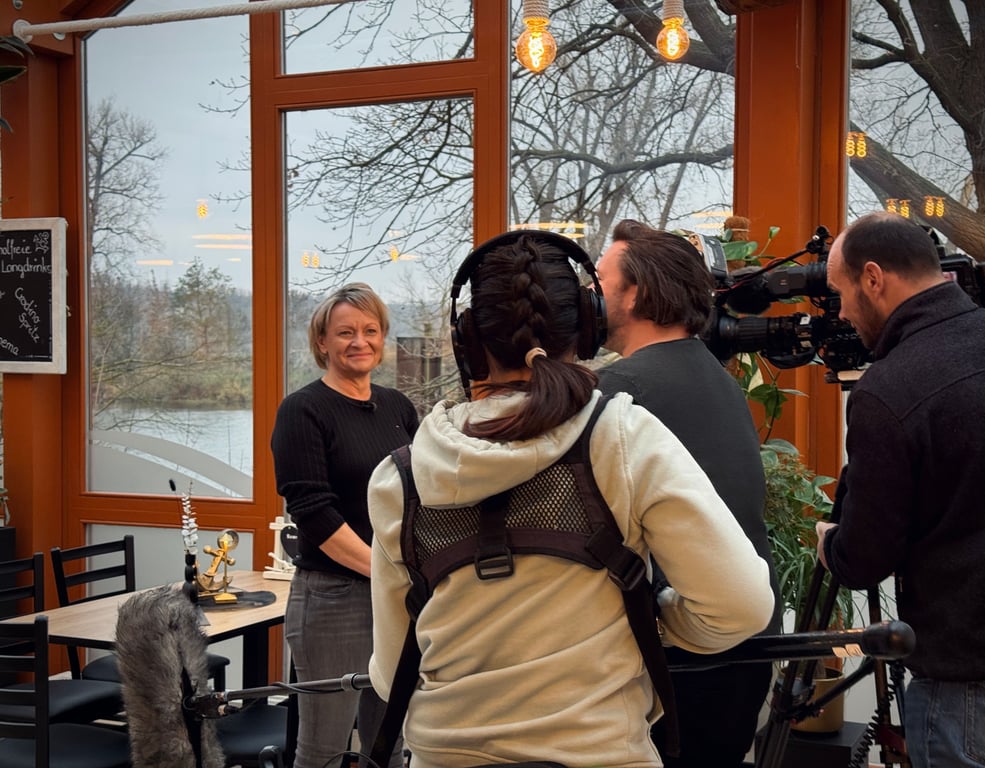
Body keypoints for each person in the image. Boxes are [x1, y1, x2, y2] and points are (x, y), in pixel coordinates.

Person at [367, 230, 774, 768]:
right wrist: (648, 623)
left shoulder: (399, 478)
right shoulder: (621, 437)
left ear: (467, 339)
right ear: (586, 326)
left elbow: (392, 667)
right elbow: (740, 607)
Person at [815, 212, 985, 767]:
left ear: (874, 279)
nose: (840, 313)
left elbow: (863, 560)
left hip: (970, 689)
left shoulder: (889, 389)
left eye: (840, 293)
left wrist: (828, 542)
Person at [595, 218, 782, 768]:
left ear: (637, 293)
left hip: (681, 661)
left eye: (601, 281)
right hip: (740, 651)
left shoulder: (622, 390)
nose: (589, 295)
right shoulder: (715, 376)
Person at [271, 282, 418, 768]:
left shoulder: (398, 407)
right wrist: (384, 573)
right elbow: (314, 511)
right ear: (322, 343)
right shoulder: (303, 409)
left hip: (395, 598)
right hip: (334, 600)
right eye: (345, 332)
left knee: (388, 742)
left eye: (371, 330)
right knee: (324, 748)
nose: (360, 341)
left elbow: (420, 495)